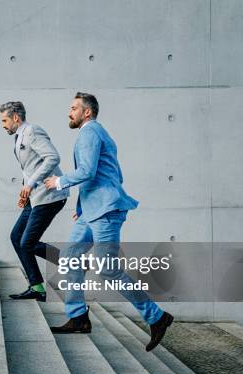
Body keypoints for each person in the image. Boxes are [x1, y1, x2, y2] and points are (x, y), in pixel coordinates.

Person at [43, 92, 173, 351]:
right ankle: (78, 316)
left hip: (104, 213)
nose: (69, 112)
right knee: (70, 256)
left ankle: (157, 317)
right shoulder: (97, 134)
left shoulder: (90, 132)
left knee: (107, 269)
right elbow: (112, 172)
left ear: (87, 112)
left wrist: (59, 182)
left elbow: (88, 171)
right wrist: (82, 206)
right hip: (92, 211)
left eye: (73, 108)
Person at [0, 101, 69, 302]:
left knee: (27, 242)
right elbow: (30, 166)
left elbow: (52, 157)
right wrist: (25, 192)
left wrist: (30, 184)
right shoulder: (19, 136)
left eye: (4, 120)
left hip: (49, 196)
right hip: (35, 197)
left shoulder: (32, 131)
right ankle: (37, 287)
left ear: (15, 117)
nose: (3, 125)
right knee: (16, 237)